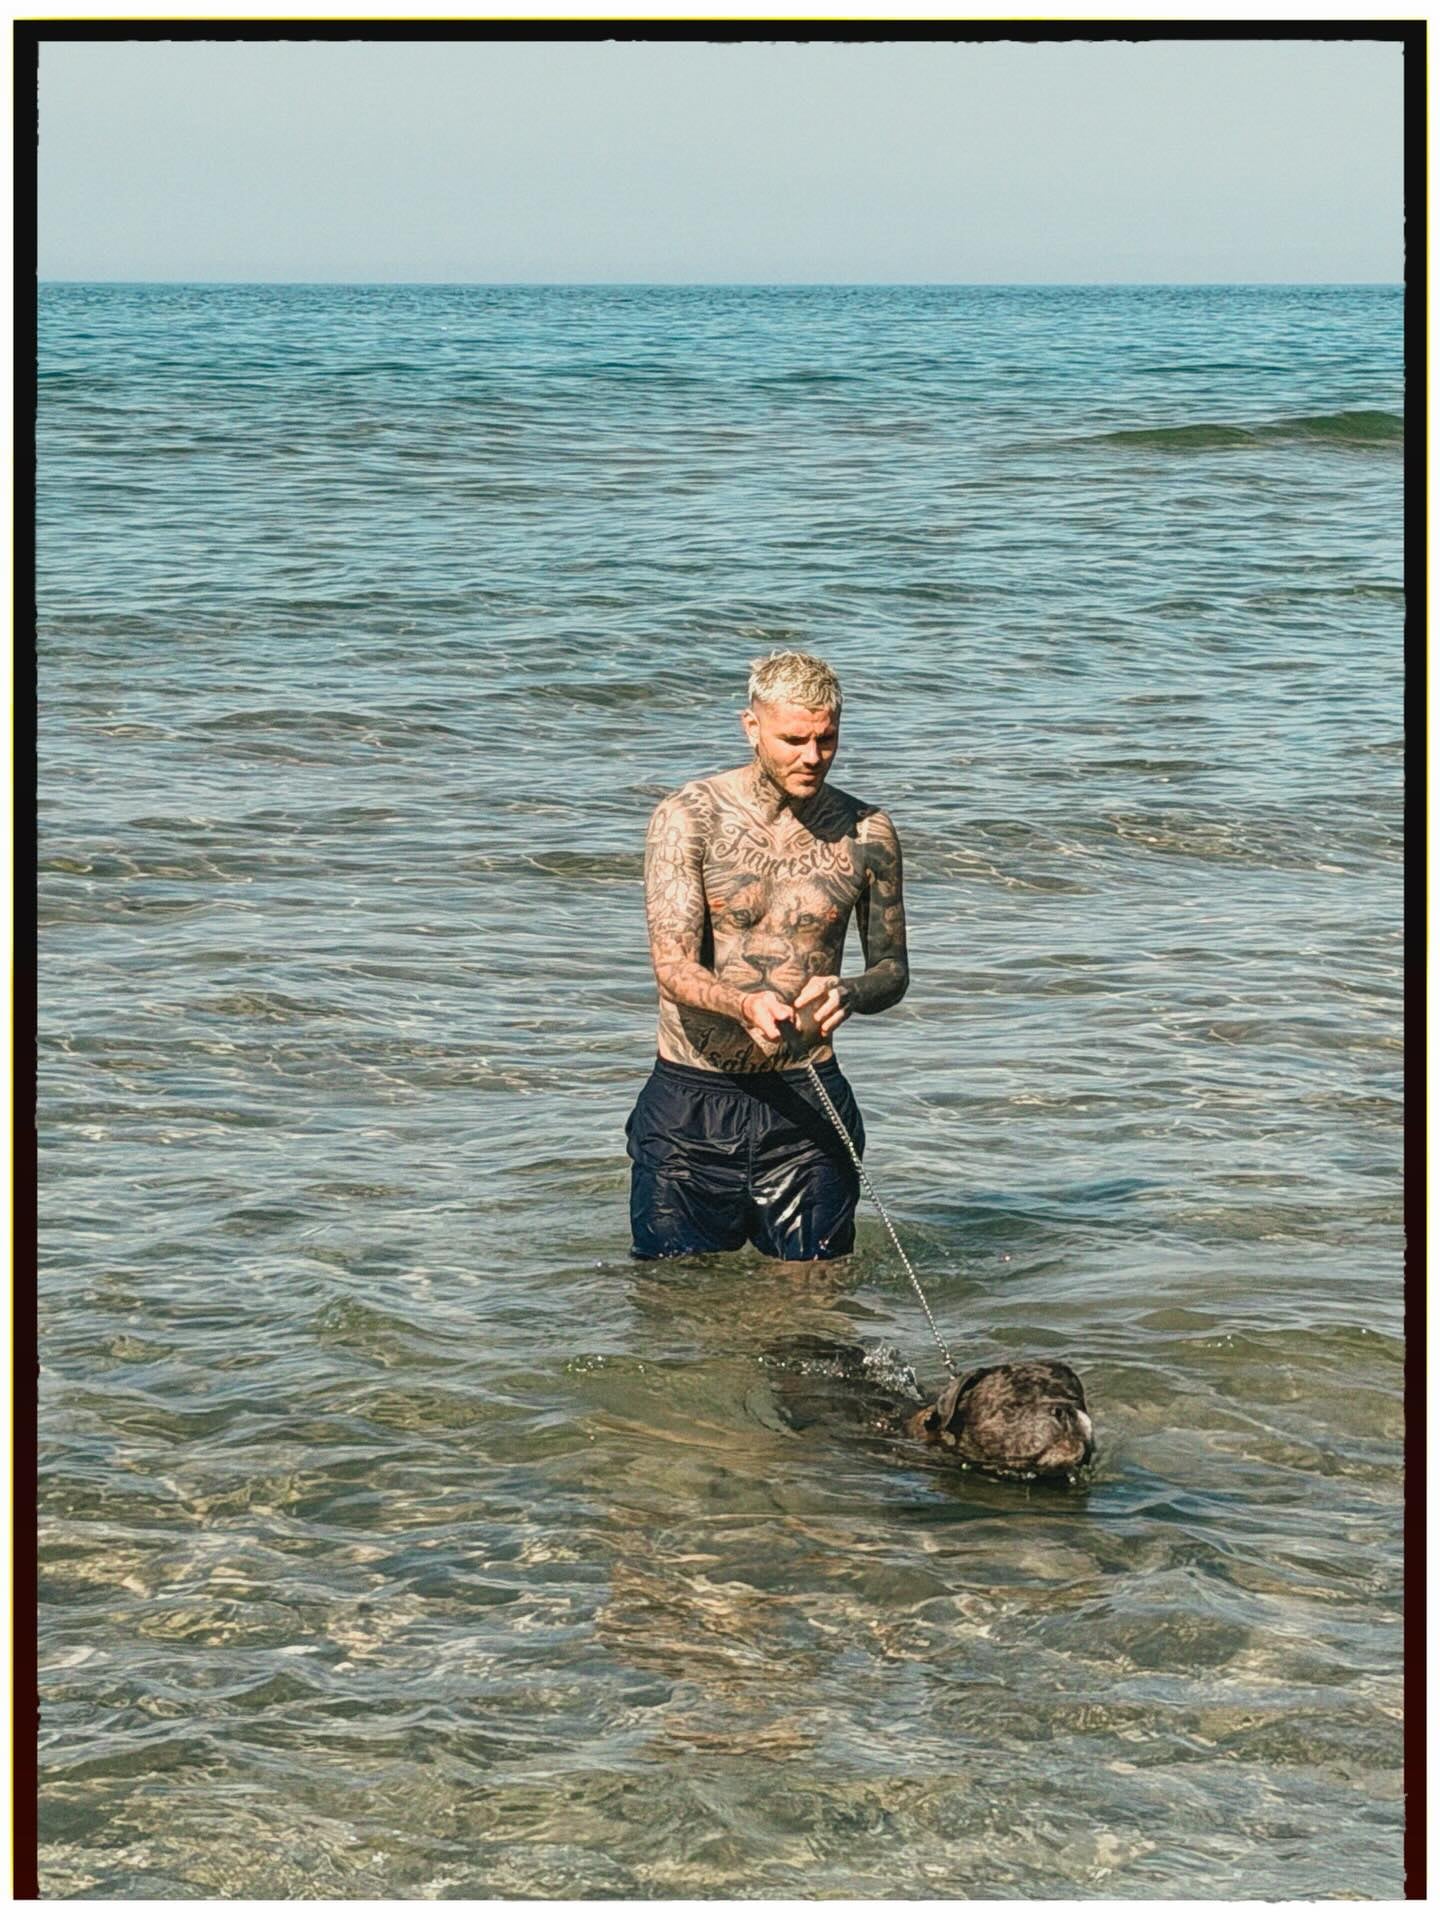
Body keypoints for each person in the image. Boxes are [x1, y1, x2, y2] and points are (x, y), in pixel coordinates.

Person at [626, 650, 909, 1262]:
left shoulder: (868, 833)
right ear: (751, 726)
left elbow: (893, 971)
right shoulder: (688, 819)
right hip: (692, 1101)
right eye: (794, 739)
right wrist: (743, 1002)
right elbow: (672, 967)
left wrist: (849, 993)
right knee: (676, 1306)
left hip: (808, 1103)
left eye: (827, 739)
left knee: (817, 1310)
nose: (813, 757)